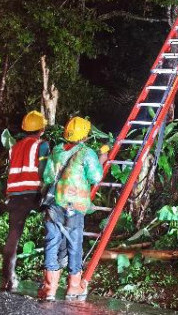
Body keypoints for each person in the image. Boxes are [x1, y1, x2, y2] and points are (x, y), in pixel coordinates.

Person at [38, 116, 108, 301]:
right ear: (85, 136)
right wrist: (102, 159)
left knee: (52, 242)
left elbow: (47, 177)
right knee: (74, 244)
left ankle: (49, 288)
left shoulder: (57, 151)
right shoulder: (87, 153)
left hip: (54, 204)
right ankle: (74, 287)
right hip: (75, 206)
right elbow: (95, 177)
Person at [1, 110, 50, 292]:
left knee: (13, 235)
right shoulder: (42, 145)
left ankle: (8, 277)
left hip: (15, 196)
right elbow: (45, 171)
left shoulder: (14, 147)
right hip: (34, 194)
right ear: (42, 129)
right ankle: (48, 279)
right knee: (51, 231)